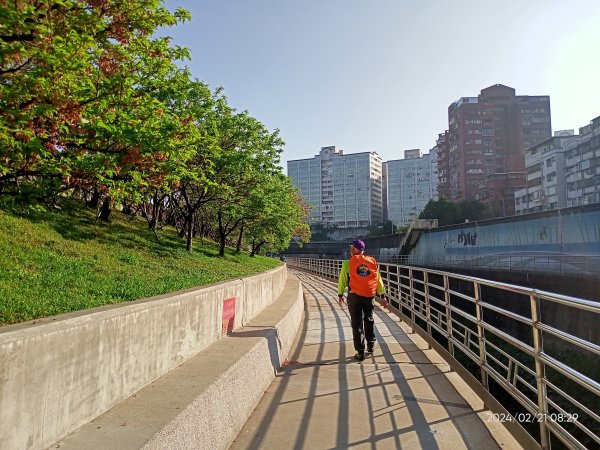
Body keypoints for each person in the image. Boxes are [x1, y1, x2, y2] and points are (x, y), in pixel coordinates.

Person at [337, 240, 389, 361]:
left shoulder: (348, 263)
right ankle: (370, 346)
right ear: (363, 250)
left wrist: (340, 294)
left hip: (354, 296)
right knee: (369, 319)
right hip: (369, 296)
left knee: (357, 323)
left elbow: (342, 280)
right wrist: (382, 296)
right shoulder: (371, 262)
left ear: (353, 249)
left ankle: (360, 352)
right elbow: (378, 279)